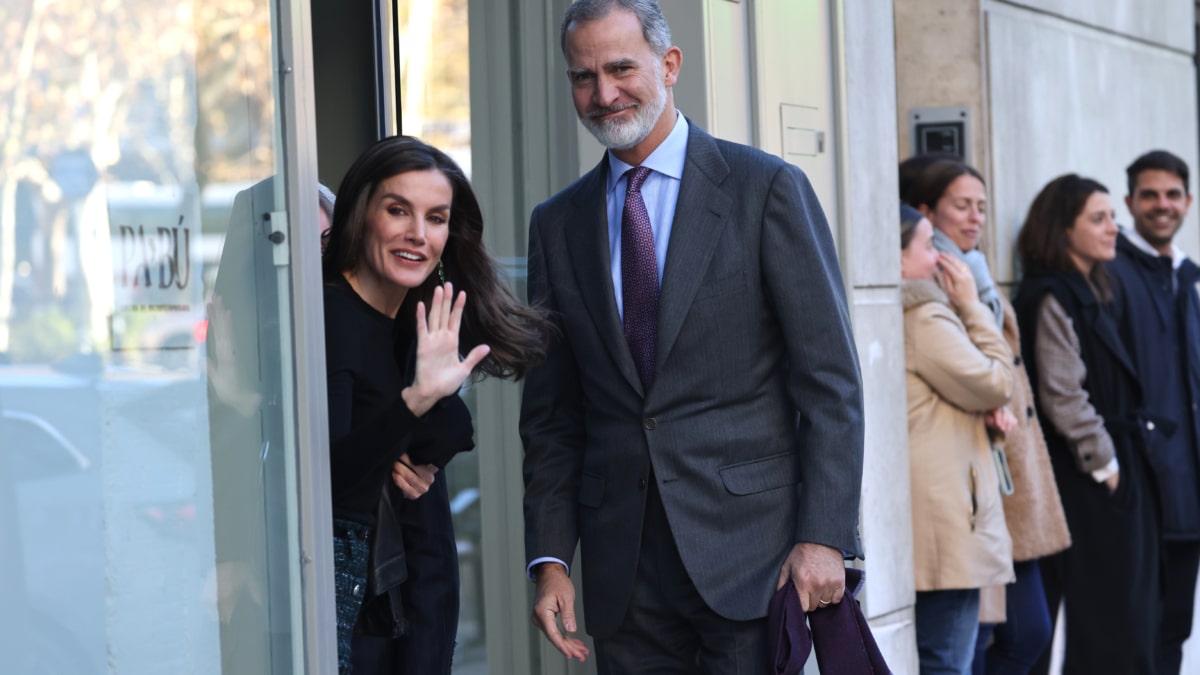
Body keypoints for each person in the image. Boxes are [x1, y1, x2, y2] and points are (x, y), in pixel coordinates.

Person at [519, 1, 865, 672]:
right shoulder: (556, 224)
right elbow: (553, 415)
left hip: (753, 562)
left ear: (669, 65)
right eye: (583, 77)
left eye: (621, 68)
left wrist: (826, 537)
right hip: (624, 574)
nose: (603, 93)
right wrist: (551, 559)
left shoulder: (765, 188)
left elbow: (830, 382)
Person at [321, 135, 548, 674]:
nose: (418, 235)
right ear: (360, 213)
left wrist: (415, 426)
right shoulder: (329, 317)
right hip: (353, 620)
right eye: (398, 210)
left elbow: (452, 433)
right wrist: (412, 407)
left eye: (437, 217)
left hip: (416, 604)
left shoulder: (417, 317)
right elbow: (328, 485)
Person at [901, 156, 1071, 674]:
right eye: (962, 206)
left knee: (1000, 635)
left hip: (994, 474)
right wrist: (972, 308)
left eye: (982, 207)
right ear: (926, 211)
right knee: (965, 648)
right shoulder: (935, 301)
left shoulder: (965, 278)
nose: (975, 218)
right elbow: (994, 378)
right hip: (964, 497)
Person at [1012, 174, 1161, 674]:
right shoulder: (1050, 294)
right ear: (1061, 228)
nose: (1113, 228)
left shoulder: (1096, 287)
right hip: (1085, 475)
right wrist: (1106, 464)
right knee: (1104, 614)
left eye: (1112, 217)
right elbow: (1062, 392)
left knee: (1127, 612)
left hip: (1111, 465)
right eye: (1098, 219)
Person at [899, 204, 1016, 674]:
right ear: (897, 259)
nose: (940, 259)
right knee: (946, 660)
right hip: (946, 518)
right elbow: (997, 381)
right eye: (928, 247)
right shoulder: (925, 313)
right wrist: (970, 305)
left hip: (940, 511)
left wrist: (984, 419)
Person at [1109, 149, 1200, 675]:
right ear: (1130, 202)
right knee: (1134, 636)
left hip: (1188, 498)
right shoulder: (1111, 275)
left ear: (1188, 201)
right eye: (1150, 195)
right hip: (1138, 493)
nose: (1161, 205)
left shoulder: (1190, 277)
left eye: (1171, 195)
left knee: (1174, 631)